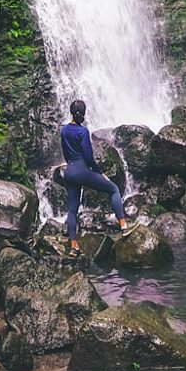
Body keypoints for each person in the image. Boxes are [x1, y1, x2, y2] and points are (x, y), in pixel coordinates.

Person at [61, 98, 133, 255]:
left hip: (69, 171)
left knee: (72, 210)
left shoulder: (64, 130)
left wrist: (71, 167)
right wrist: (99, 172)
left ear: (71, 113)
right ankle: (124, 227)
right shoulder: (83, 131)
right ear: (84, 113)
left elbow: (66, 154)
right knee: (113, 189)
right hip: (82, 170)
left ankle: (74, 246)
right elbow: (88, 156)